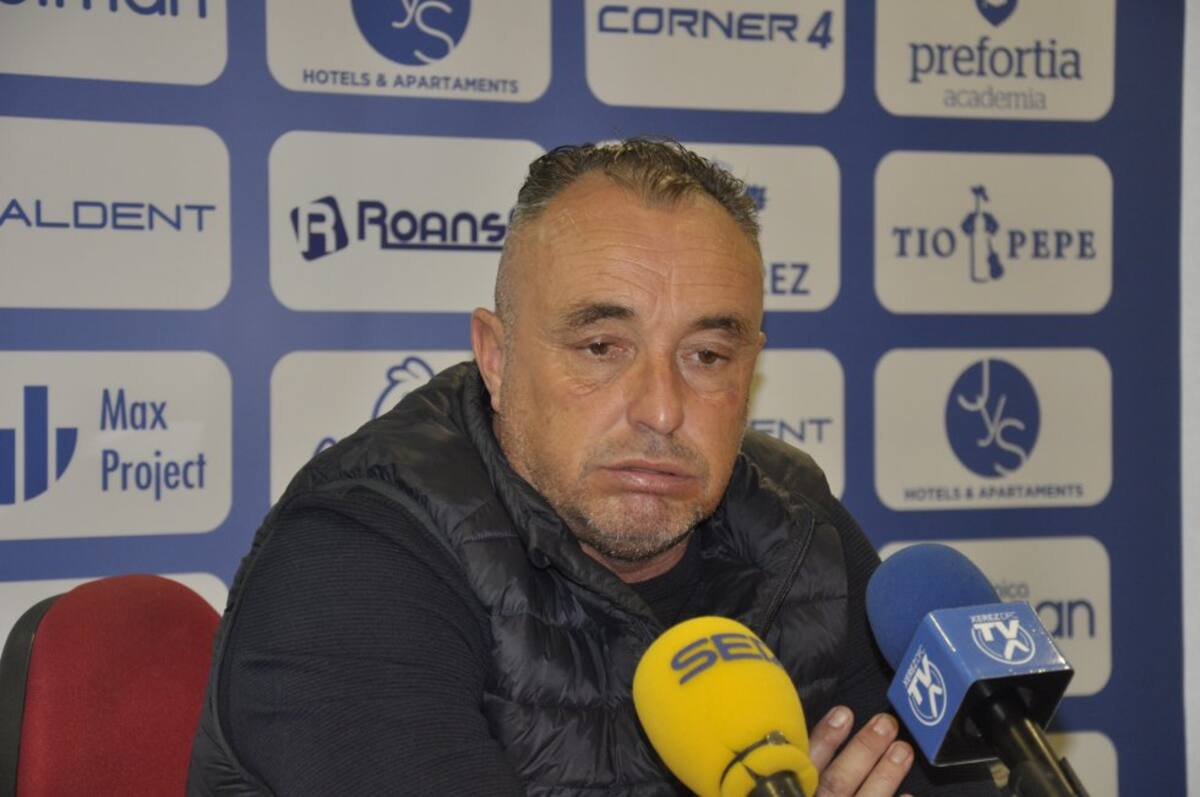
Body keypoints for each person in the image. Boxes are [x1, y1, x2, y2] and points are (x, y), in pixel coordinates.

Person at [189, 139, 1000, 796]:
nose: (661, 409)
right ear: (497, 358)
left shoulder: (794, 525)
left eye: (707, 355)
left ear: (750, 368)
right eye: (602, 346)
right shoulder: (354, 554)